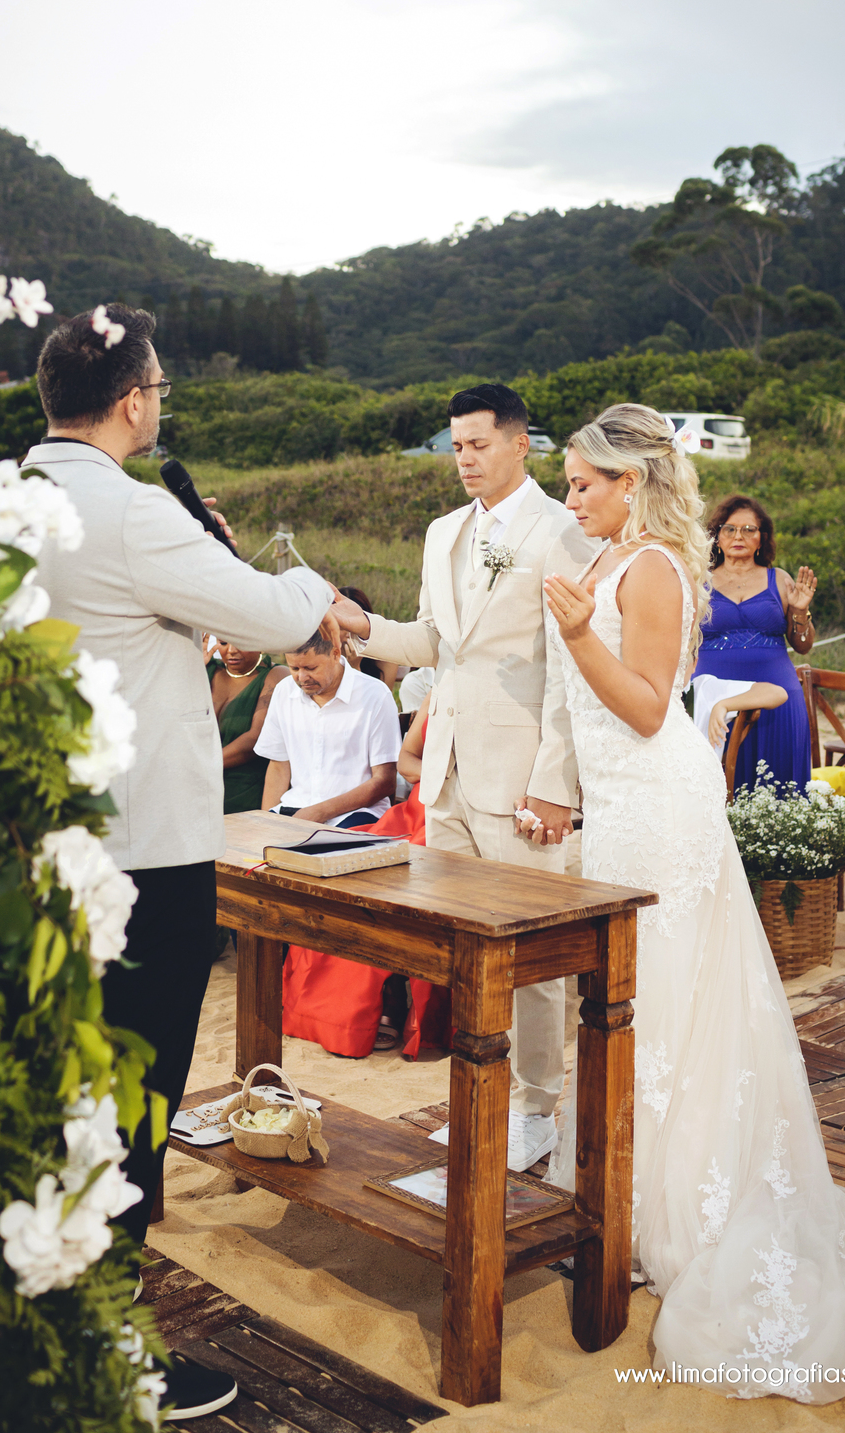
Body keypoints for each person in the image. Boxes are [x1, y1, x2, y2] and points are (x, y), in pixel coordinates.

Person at [539, 402, 845, 1403]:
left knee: (670, 1001)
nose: (572, 497)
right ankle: (616, 1199)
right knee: (626, 1003)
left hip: (660, 807)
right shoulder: (597, 563)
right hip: (617, 813)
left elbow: (642, 707)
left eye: (585, 483)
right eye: (568, 484)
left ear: (631, 483)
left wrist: (581, 636)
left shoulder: (654, 570)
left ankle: (672, 1212)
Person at [25, 305, 334, 1423]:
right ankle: (109, 1345)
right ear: (136, 401)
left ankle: (35, 1309)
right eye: (158, 387)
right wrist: (291, 583)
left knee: (50, 1085)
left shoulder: (10, 498)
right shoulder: (132, 510)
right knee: (132, 1092)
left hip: (34, 845)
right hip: (142, 854)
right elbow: (274, 610)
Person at [330, 382, 592, 1171]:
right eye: (456, 446)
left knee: (531, 957)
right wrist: (361, 623)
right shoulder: (444, 530)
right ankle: (484, 1097)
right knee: (464, 953)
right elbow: (435, 641)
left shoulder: (561, 529)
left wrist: (556, 782)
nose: (465, 459)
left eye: (478, 444)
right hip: (443, 774)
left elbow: (571, 673)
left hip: (522, 781)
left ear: (520, 444)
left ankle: (538, 1108)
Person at [281, 701, 451, 1058]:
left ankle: (384, 999)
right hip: (416, 808)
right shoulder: (440, 687)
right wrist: (445, 772)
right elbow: (406, 761)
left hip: (452, 817)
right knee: (348, 872)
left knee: (401, 881)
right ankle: (357, 1008)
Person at [691, 493, 817, 792]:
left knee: (780, 785)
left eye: (749, 529)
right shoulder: (699, 582)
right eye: (729, 528)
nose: (739, 536)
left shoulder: (780, 579)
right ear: (716, 538)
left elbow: (803, 645)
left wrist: (799, 611)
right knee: (715, 787)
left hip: (778, 695)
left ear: (762, 539)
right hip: (713, 695)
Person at [257, 628, 401, 827]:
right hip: (295, 808)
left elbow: (385, 781)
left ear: (335, 654)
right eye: (294, 669)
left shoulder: (375, 695)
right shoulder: (284, 691)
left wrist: (319, 812)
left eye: (311, 668)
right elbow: (278, 766)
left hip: (357, 814)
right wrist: (267, 825)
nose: (302, 678)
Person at [206, 638, 288, 812]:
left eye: (241, 642)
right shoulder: (206, 669)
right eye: (223, 643)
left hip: (244, 791)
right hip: (196, 785)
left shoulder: (276, 674)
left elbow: (255, 738)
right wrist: (191, 671)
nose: (231, 650)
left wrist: (201, 765)